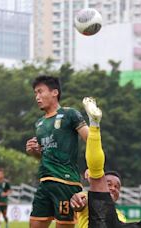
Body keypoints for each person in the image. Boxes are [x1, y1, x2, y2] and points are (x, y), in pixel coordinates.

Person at [82, 97, 141, 228]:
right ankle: (94, 123)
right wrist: (76, 200)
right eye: (109, 184)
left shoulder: (120, 215)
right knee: (97, 176)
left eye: (117, 187)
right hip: (97, 213)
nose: (113, 189)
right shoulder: (85, 198)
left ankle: (94, 123)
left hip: (113, 222)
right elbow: (77, 202)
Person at [26, 75, 89, 228]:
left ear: (54, 92)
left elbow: (91, 140)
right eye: (35, 93)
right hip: (45, 181)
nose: (37, 97)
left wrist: (93, 167)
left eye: (40, 92)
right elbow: (44, 155)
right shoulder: (39, 123)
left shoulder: (70, 114)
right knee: (34, 225)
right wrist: (34, 151)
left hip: (66, 182)